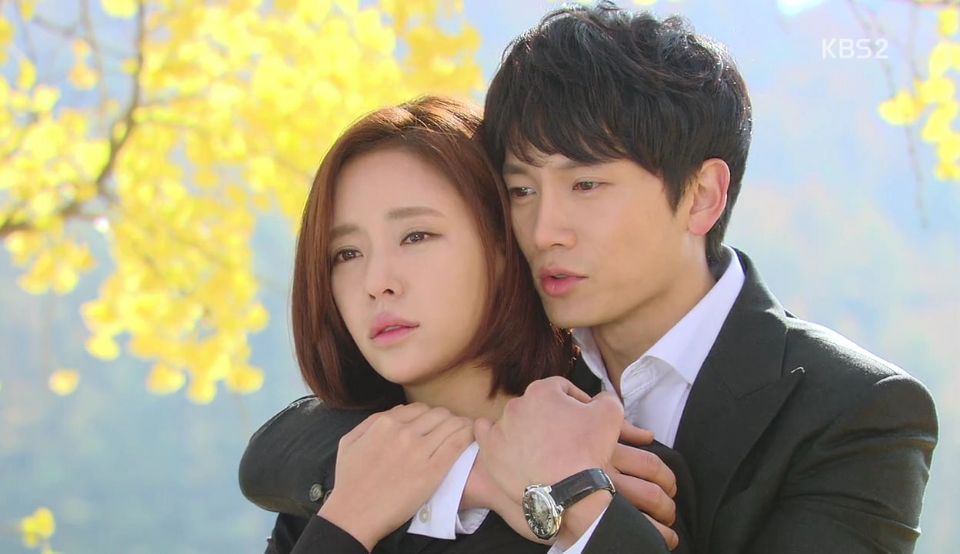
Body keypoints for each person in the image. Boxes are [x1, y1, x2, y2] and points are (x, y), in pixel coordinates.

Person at [241, 3, 938, 553]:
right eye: (520, 191)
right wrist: (472, 470)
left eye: (587, 185)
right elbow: (287, 447)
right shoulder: (512, 371)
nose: (544, 230)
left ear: (701, 196)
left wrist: (569, 492)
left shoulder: (856, 412)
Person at [246, 95, 690, 553]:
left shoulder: (621, 468)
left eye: (416, 236)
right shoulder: (340, 485)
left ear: (504, 245)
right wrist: (351, 520)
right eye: (347, 254)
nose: (376, 283)